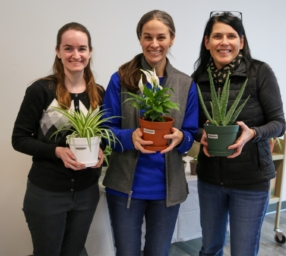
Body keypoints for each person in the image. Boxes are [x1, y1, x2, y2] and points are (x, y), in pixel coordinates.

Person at [102, 10, 199, 256]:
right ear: (140, 39)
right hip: (125, 186)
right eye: (147, 37)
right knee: (126, 252)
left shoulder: (185, 83)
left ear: (172, 39)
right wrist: (129, 137)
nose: (154, 44)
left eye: (161, 37)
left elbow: (190, 133)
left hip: (167, 189)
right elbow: (105, 130)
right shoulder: (121, 79)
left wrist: (181, 138)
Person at [192, 11, 286, 256]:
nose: (224, 42)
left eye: (231, 36)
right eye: (217, 36)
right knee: (209, 248)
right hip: (210, 178)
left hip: (251, 180)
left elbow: (279, 123)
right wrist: (200, 134)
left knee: (243, 251)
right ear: (207, 42)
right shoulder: (198, 79)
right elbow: (192, 125)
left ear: (241, 42)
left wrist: (252, 133)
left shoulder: (259, 73)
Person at [12, 22, 105, 256]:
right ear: (58, 51)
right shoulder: (41, 90)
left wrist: (102, 153)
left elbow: (102, 137)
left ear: (90, 52)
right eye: (68, 48)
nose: (76, 55)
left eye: (82, 48)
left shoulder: (99, 94)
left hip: (86, 193)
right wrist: (58, 151)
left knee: (74, 252)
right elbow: (19, 138)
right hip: (47, 193)